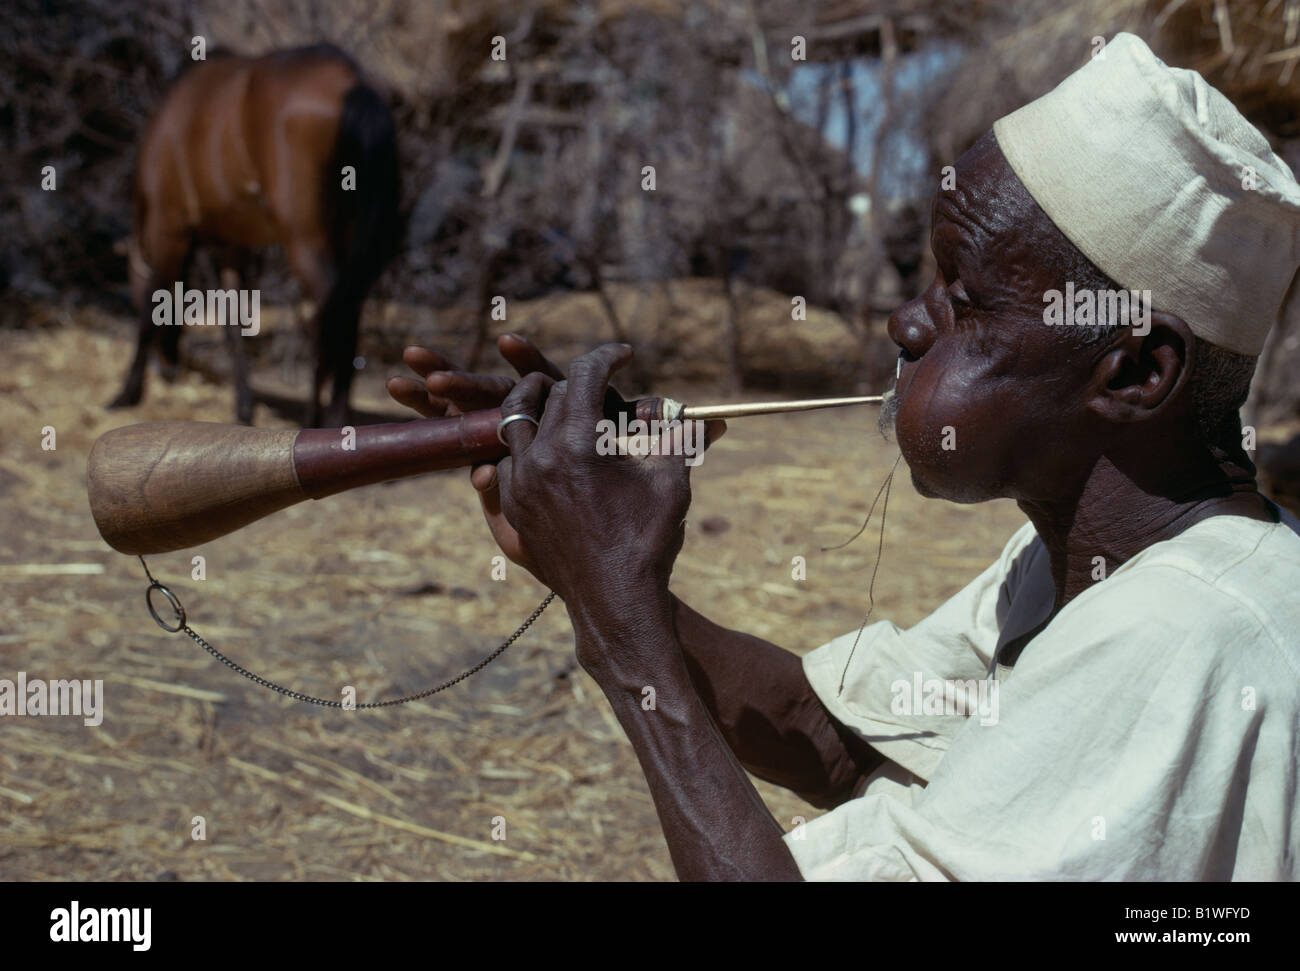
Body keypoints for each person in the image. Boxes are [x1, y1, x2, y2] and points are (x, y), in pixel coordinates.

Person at [386, 33, 1300, 880]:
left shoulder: (1184, 642)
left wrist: (618, 617)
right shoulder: (1082, 559)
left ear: (1136, 370)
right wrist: (583, 547)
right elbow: (837, 737)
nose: (907, 322)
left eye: (964, 299)